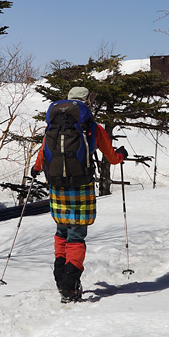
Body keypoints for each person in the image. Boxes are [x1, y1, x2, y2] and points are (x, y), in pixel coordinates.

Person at [31, 86, 127, 302]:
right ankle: (70, 284)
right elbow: (111, 158)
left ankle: (60, 275)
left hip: (56, 185)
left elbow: (42, 154)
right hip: (81, 185)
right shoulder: (93, 127)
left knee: (62, 230)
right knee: (76, 234)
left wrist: (36, 169)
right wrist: (121, 155)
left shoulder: (54, 125)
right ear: (87, 103)